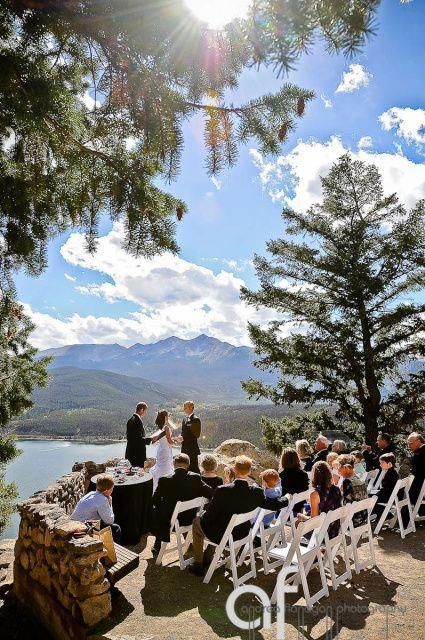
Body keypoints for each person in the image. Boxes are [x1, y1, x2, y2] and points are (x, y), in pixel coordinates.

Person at [189, 455, 289, 576]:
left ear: (234, 470)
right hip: (242, 534)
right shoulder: (256, 492)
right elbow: (274, 505)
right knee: (212, 523)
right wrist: (287, 498)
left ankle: (198, 564)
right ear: (249, 471)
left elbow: (209, 517)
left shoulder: (222, 490)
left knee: (198, 521)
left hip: (223, 535)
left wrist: (202, 514)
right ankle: (207, 558)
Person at [150, 453, 213, 556]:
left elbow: (154, 500)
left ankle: (158, 543)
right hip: (190, 519)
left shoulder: (164, 479)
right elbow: (210, 492)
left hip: (170, 523)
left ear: (174, 464)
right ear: (187, 465)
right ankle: (183, 539)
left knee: (157, 510)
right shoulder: (195, 478)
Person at [296, 461, 342, 538]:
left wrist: (302, 517)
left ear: (314, 476)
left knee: (297, 522)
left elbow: (314, 520)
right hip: (334, 529)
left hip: (322, 532)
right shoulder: (337, 489)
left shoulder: (315, 494)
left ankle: (309, 547)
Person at [71, 474, 121, 542]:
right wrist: (110, 504)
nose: (112, 491)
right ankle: (109, 550)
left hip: (73, 524)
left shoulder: (91, 493)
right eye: (112, 489)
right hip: (81, 528)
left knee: (102, 523)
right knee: (116, 529)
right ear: (106, 490)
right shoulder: (102, 500)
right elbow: (110, 521)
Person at [150, 410, 181, 492]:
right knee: (166, 468)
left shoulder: (160, 427)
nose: (168, 417)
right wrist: (177, 440)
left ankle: (157, 488)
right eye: (168, 416)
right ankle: (165, 488)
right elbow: (170, 441)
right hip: (166, 450)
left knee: (161, 466)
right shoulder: (166, 427)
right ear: (165, 417)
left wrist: (172, 439)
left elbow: (159, 440)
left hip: (161, 449)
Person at [337, 454, 368, 527]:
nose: (338, 470)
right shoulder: (358, 479)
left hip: (353, 519)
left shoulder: (347, 482)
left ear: (346, 468)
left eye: (339, 467)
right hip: (363, 517)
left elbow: (346, 503)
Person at [125, 402, 158, 468]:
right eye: (145, 411)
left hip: (130, 451)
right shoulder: (137, 421)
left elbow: (132, 437)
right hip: (137, 454)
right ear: (142, 410)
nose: (146, 413)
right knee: (137, 474)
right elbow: (137, 439)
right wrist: (150, 439)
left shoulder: (130, 420)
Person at [371, 453, 399, 523]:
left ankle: (385, 515)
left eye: (382, 463)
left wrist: (378, 494)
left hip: (389, 495)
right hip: (391, 494)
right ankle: (384, 515)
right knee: (374, 498)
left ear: (389, 464)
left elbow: (387, 488)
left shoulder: (391, 473)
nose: (380, 465)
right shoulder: (392, 472)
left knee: (373, 500)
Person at [407, 432, 425, 516]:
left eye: (411, 443)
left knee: (409, 494)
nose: (409, 446)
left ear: (418, 441)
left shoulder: (422, 451)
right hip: (419, 482)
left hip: (420, 483)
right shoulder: (419, 451)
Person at [180, 400, 201, 473]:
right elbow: (183, 432)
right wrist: (180, 437)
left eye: (185, 408)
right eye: (184, 407)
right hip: (184, 449)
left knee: (194, 469)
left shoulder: (196, 419)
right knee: (185, 469)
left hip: (192, 450)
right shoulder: (184, 419)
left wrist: (183, 438)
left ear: (191, 408)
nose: (184, 409)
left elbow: (196, 435)